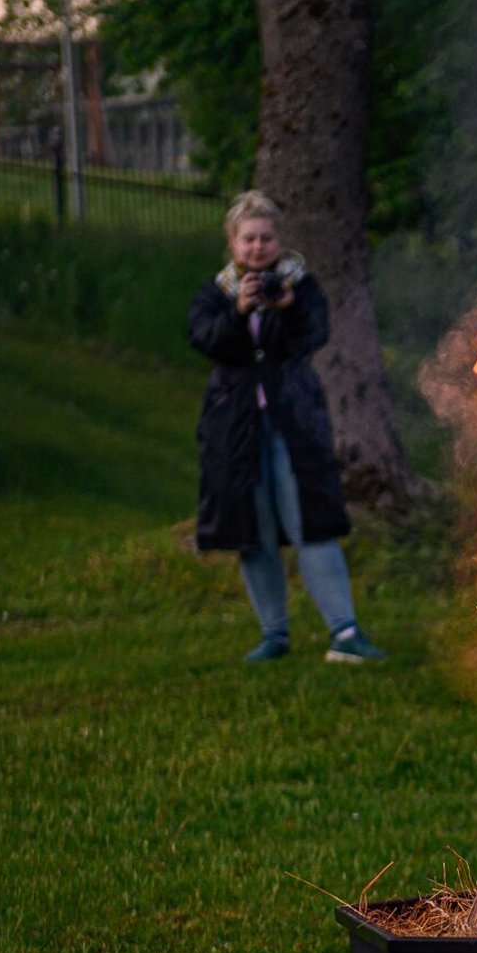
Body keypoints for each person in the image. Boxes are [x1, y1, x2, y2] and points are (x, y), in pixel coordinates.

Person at [189, 191, 386, 664]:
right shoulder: (215, 294)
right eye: (248, 238)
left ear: (279, 240)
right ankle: (273, 635)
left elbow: (315, 333)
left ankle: (345, 632)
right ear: (233, 243)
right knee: (251, 530)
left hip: (295, 424)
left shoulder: (302, 287)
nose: (258, 247)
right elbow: (204, 339)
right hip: (234, 430)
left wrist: (288, 307)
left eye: (266, 237)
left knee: (311, 523)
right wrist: (238, 312)